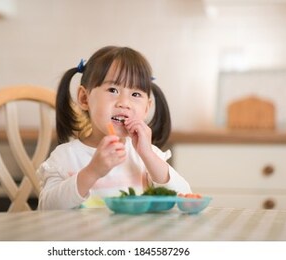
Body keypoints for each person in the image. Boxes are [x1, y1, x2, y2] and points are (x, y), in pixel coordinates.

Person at [37, 46, 191, 210]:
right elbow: (46, 209)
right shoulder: (66, 157)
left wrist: (148, 156)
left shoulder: (147, 157)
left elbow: (185, 199)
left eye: (135, 94)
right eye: (113, 90)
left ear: (147, 108)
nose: (124, 103)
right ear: (84, 98)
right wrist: (92, 172)